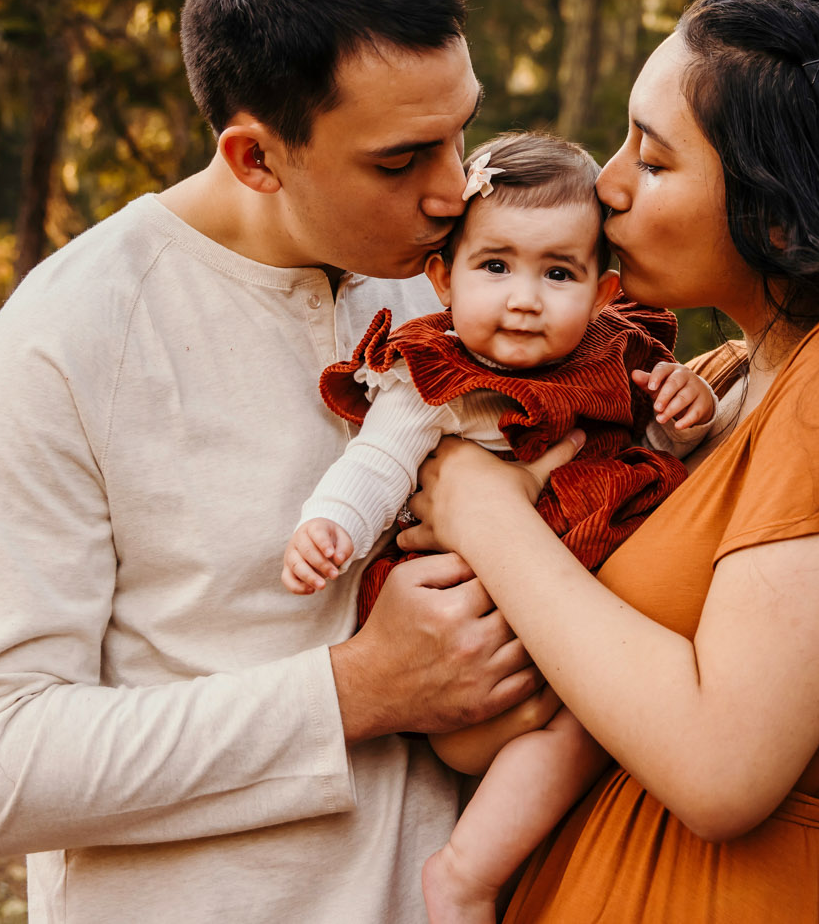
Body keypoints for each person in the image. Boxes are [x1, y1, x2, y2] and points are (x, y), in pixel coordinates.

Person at [0, 0, 564, 923]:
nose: (452, 191)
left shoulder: (460, 293)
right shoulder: (71, 335)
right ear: (256, 158)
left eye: (460, 131)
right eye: (400, 161)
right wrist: (355, 690)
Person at [400, 0, 819, 923]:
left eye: (654, 157)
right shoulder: (723, 378)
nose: (607, 185)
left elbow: (723, 767)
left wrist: (486, 513)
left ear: (779, 212)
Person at [278, 131, 716, 923]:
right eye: (495, 266)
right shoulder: (437, 378)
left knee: (615, 713)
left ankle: (506, 877)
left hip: (574, 637)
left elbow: (656, 454)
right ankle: (466, 878)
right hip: (476, 654)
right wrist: (330, 525)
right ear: (442, 278)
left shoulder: (615, 358)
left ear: (604, 289)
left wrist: (681, 420)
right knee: (596, 720)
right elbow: (377, 465)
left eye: (558, 273)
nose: (524, 297)